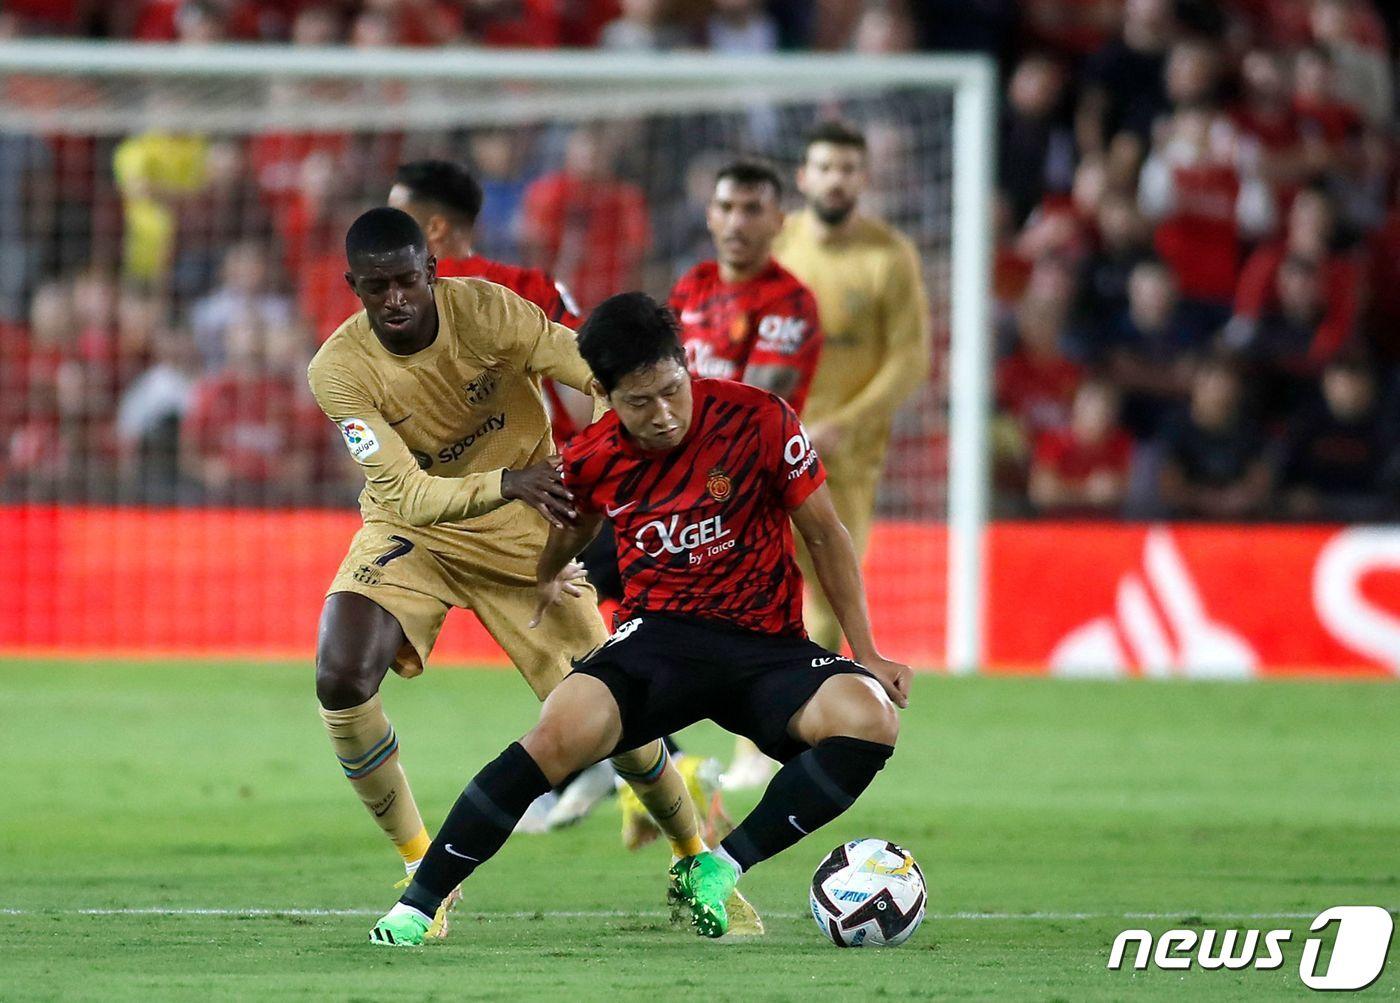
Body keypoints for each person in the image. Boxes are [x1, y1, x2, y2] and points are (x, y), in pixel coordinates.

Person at [368, 292, 909, 947]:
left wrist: (868, 650)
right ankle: (418, 907)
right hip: (661, 644)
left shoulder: (759, 418)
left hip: (767, 646)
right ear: (602, 392)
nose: (662, 414)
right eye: (639, 402)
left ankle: (720, 865)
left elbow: (825, 533)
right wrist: (546, 573)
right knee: (554, 734)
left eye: (671, 390)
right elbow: (579, 522)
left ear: (685, 364)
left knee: (871, 715)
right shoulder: (593, 455)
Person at [309, 209, 730, 941]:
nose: (396, 299)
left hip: (533, 541)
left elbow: (600, 379)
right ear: (355, 289)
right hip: (414, 533)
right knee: (341, 675)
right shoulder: (337, 371)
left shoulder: (492, 312)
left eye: (408, 281)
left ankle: (695, 855)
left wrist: (595, 471)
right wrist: (510, 478)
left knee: (618, 723)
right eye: (377, 288)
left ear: (431, 273)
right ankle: (421, 870)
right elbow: (406, 493)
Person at [389, 158, 710, 836]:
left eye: (401, 216)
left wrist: (598, 465)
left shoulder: (509, 292)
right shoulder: (428, 310)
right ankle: (641, 774)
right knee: (590, 644)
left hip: (537, 503)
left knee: (595, 644)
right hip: (503, 504)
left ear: (434, 227)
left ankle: (651, 777)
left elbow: (593, 369)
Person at [668, 159, 825, 792]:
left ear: (779, 221)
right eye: (727, 207)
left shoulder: (790, 303)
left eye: (752, 209)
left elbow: (758, 400)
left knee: (749, 616)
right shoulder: (692, 287)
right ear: (710, 214)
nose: (737, 222)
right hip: (679, 478)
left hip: (748, 481)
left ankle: (764, 751)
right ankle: (652, 756)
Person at [772, 121, 930, 652]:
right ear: (803, 177)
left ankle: (785, 731)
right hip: (765, 449)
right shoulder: (775, 244)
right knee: (753, 590)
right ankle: (755, 734)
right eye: (824, 168)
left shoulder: (888, 256)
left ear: (863, 179)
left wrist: (844, 423)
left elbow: (910, 359)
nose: (835, 180)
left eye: (846, 170)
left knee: (825, 602)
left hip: (845, 460)